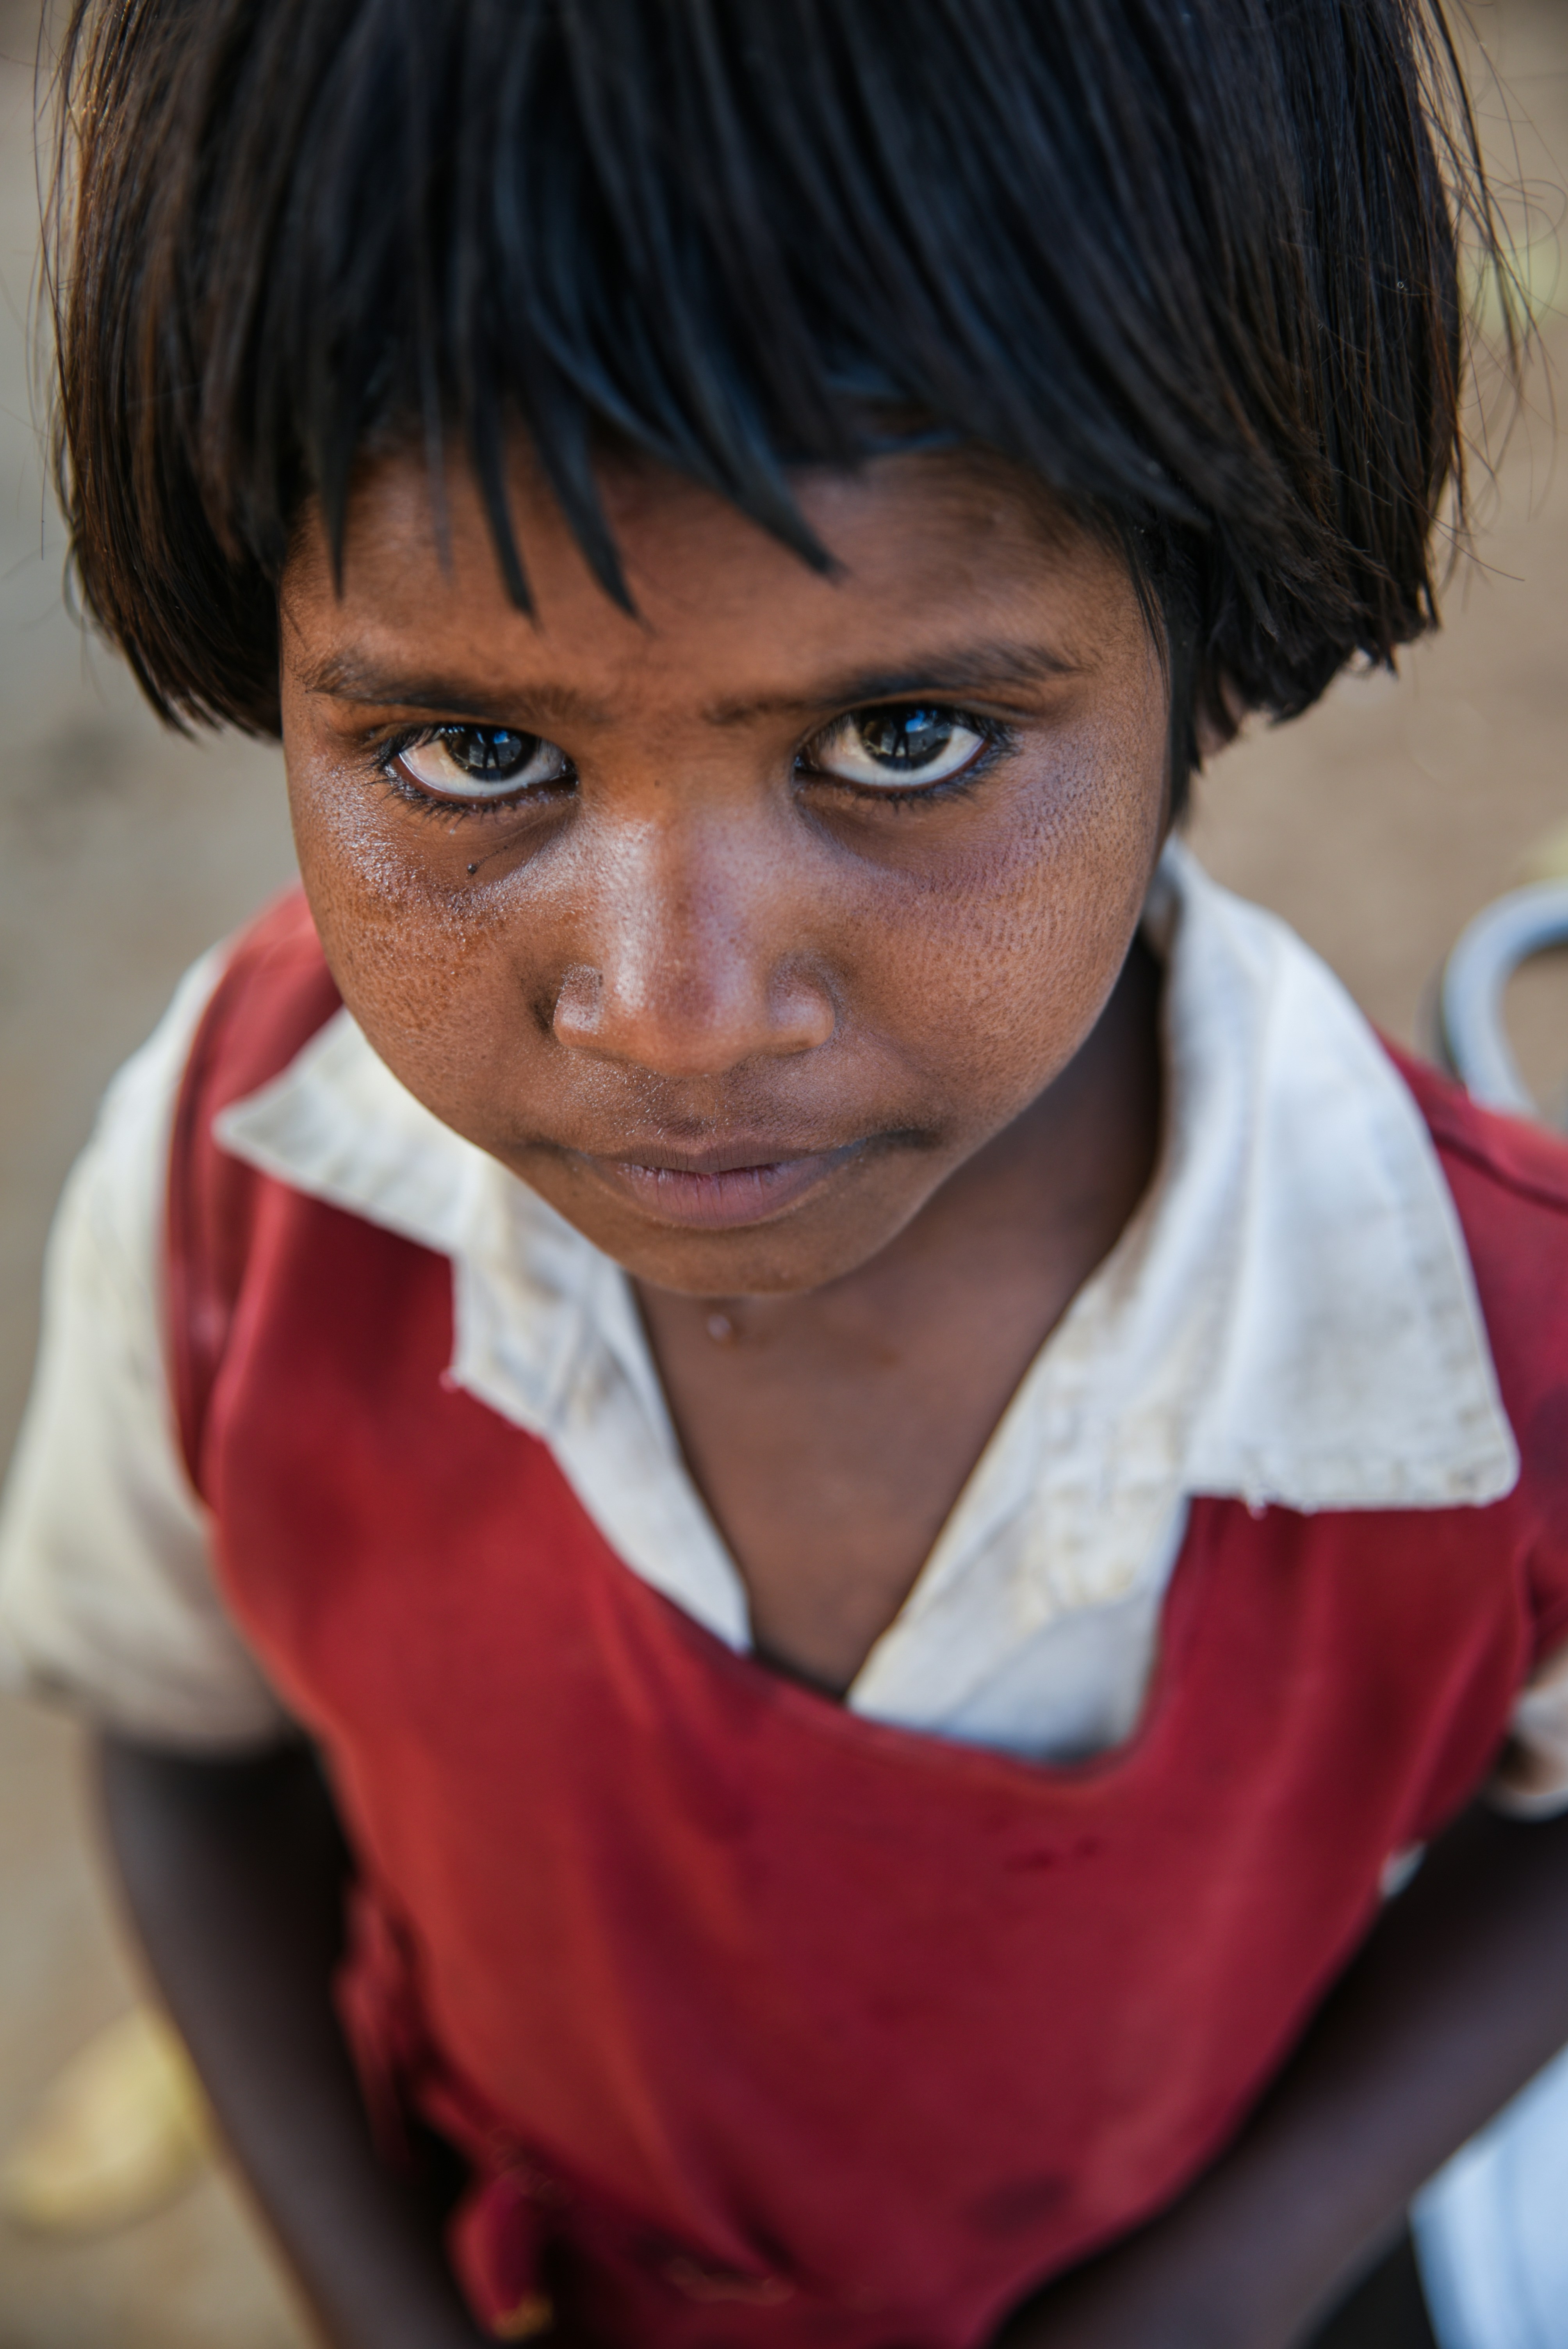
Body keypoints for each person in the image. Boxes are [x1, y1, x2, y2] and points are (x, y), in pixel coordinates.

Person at [2, 3, 1566, 2346]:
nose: (675, 1013)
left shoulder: (1487, 1363)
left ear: (1214, 635)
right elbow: (181, 1746)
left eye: (904, 737)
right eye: (471, 748)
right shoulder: (249, 1202)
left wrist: (1234, 2278)